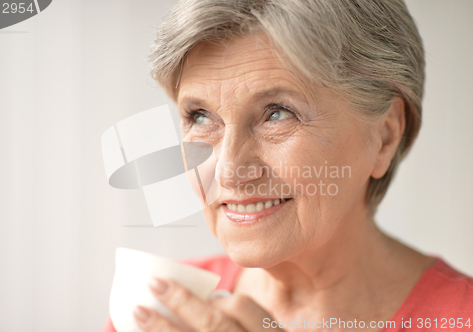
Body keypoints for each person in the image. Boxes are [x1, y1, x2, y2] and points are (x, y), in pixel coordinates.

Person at [102, 0, 473, 331]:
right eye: (200, 117)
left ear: (386, 135)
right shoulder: (162, 311)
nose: (228, 169)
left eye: (277, 114)